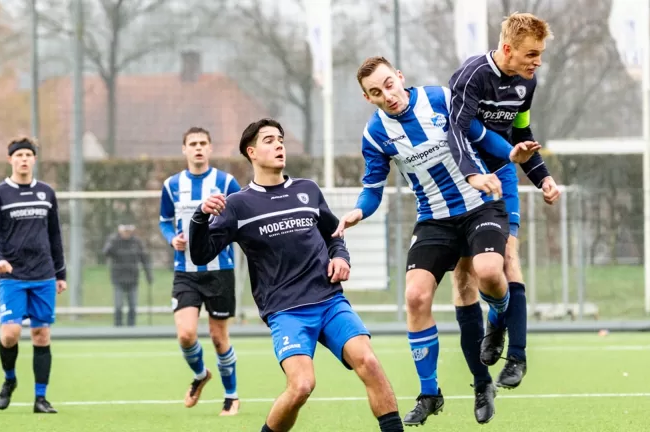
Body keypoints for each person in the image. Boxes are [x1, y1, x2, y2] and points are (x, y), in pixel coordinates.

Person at [333, 56, 538, 426]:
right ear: (368, 98)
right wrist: (358, 212)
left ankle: (498, 318)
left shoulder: (441, 99)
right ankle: (431, 393)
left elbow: (477, 133)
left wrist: (510, 153)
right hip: (434, 218)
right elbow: (372, 188)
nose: (387, 95)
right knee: (415, 295)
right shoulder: (376, 134)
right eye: (376, 93)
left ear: (400, 76)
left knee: (490, 272)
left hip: (480, 205)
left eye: (389, 84)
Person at [189, 118, 405, 432]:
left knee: (369, 363)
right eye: (269, 140)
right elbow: (200, 254)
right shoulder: (238, 205)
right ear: (251, 152)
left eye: (280, 139)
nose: (279, 145)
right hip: (285, 311)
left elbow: (335, 237)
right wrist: (199, 217)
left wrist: (341, 258)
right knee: (302, 385)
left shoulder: (307, 190)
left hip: (329, 301)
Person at [447, 12, 561, 390]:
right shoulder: (472, 75)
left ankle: (517, 356)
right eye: (532, 53)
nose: (537, 61)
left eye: (541, 54)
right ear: (508, 48)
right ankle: (495, 321)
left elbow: (522, 132)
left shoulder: (528, 83)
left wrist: (544, 179)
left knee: (509, 257)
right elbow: (457, 132)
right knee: (471, 272)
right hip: (464, 176)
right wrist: (473, 175)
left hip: (504, 175)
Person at [158, 126, 242, 416]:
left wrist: (223, 238)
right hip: (186, 272)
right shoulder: (171, 185)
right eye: (192, 143)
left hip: (220, 270)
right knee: (185, 334)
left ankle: (231, 396)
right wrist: (172, 238)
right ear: (184, 149)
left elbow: (239, 219)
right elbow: (164, 221)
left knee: (219, 338)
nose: (197, 148)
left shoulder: (226, 182)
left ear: (210, 148)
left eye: (202, 143)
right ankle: (200, 374)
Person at [0, 137, 67, 413]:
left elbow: (54, 235)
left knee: (41, 334)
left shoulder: (46, 192)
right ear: (10, 160)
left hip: (43, 275)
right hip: (13, 276)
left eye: (28, 154)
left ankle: (40, 399)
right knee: (10, 334)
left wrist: (60, 273)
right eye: (18, 154)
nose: (23, 159)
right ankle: (9, 380)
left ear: (34, 159)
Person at [102, 223, 153, 327]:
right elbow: (106, 252)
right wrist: (113, 240)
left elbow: (144, 259)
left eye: (128, 231)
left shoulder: (137, 242)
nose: (126, 233)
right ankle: (118, 327)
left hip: (133, 278)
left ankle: (131, 327)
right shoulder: (114, 241)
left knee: (133, 306)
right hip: (118, 278)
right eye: (124, 231)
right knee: (118, 305)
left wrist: (148, 275)